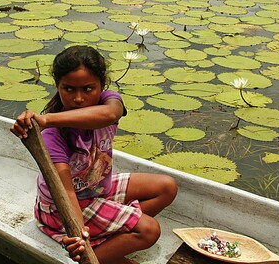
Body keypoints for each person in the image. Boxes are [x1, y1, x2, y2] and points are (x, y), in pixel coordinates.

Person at [10, 45, 177, 264]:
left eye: (88, 89)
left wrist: (47, 118)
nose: (78, 98)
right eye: (68, 89)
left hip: (97, 189)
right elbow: (66, 194)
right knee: (149, 230)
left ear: (102, 85)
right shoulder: (53, 136)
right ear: (58, 86)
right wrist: (79, 236)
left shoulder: (109, 102)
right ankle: (92, 257)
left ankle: (110, 237)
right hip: (62, 208)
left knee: (166, 187)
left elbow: (110, 114)